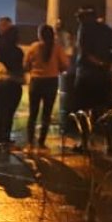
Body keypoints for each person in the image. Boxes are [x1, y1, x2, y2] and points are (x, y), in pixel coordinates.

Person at [71, 6, 112, 133]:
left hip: (86, 75)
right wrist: (108, 65)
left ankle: (84, 142)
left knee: (82, 110)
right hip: (104, 76)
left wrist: (98, 63)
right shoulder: (107, 30)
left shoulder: (84, 29)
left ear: (87, 17)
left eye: (81, 17)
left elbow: (84, 51)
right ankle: (108, 142)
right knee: (104, 109)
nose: (79, 20)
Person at [24, 23, 69, 152]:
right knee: (46, 113)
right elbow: (65, 65)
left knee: (33, 113)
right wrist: (56, 69)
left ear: (40, 35)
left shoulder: (33, 47)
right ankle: (41, 142)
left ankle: (29, 142)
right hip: (51, 82)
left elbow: (26, 65)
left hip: (36, 82)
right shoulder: (57, 49)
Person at [0, 23, 25, 149]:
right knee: (9, 113)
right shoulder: (18, 52)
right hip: (14, 84)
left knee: (0, 111)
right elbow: (20, 68)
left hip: (0, 83)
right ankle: (6, 138)